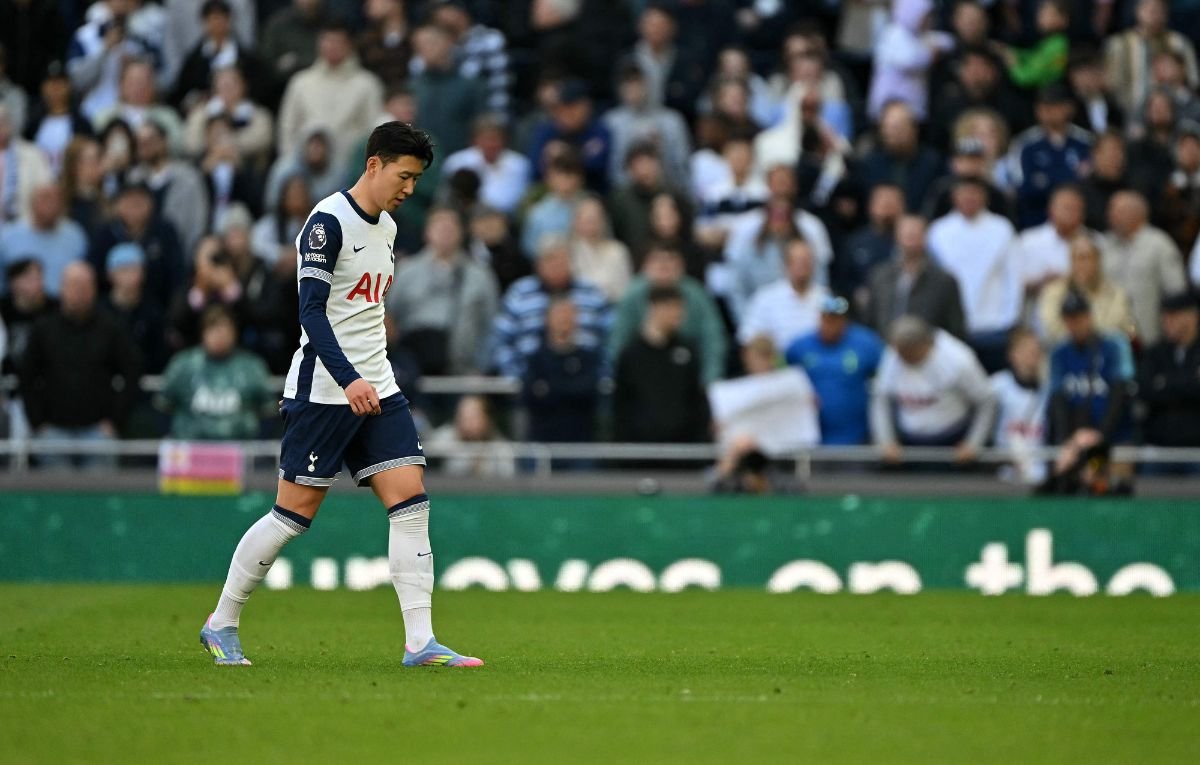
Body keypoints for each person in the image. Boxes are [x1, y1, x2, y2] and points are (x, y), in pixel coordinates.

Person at [198, 121, 483, 668]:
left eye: (418, 179)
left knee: (411, 502)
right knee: (291, 516)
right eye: (404, 175)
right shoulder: (327, 222)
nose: (410, 189)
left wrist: (371, 376)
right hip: (325, 391)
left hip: (378, 387)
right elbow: (310, 313)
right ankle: (221, 621)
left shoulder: (390, 229)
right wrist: (349, 377)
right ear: (373, 164)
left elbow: (366, 313)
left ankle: (420, 642)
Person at [17, 261, 140, 469]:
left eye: (84, 286)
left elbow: (132, 370)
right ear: (62, 288)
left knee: (99, 498)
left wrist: (116, 420)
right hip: (53, 431)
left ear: (93, 290)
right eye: (73, 286)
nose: (79, 292)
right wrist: (37, 421)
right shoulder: (44, 329)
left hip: (98, 432)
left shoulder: (110, 329)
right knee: (55, 499)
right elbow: (26, 375)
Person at [1041, 291, 1135, 495]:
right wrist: (1067, 442)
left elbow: (1120, 395)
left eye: (1080, 317)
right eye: (1070, 319)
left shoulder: (1113, 346)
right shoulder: (1060, 353)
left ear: (1089, 316)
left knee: (1096, 479)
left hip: (1110, 438)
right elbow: (1058, 399)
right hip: (1075, 440)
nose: (1075, 324)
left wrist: (1099, 435)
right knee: (1062, 476)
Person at [386, 207, 499, 375]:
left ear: (462, 232)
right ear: (427, 232)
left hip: (465, 370)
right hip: (412, 370)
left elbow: (492, 323)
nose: (445, 233)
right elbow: (389, 318)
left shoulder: (480, 276)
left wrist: (482, 369)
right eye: (439, 227)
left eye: (451, 227)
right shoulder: (405, 272)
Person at [870, 315, 996, 465]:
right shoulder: (894, 354)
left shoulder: (958, 359)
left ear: (924, 345)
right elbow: (881, 398)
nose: (901, 358)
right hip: (906, 446)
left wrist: (974, 443)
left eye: (907, 353)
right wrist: (886, 440)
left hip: (952, 444)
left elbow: (987, 400)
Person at [926, 176, 1020, 372]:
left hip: (995, 326)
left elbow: (1014, 277)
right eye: (964, 193)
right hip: (952, 329)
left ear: (985, 197)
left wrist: (1010, 319)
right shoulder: (938, 231)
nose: (969, 198)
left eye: (975, 193)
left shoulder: (1002, 228)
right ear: (954, 196)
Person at [490, 234, 609, 379]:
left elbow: (610, 340)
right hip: (529, 384)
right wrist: (516, 379)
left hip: (587, 384)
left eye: (562, 259)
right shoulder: (520, 294)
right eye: (550, 259)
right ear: (538, 264)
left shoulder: (591, 294)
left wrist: (602, 377)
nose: (556, 265)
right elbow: (501, 341)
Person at [609, 243, 727, 386]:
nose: (664, 266)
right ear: (645, 265)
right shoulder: (632, 295)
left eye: (671, 260)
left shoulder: (696, 293)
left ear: (681, 265)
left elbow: (713, 339)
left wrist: (710, 379)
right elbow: (619, 341)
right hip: (645, 371)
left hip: (689, 370)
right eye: (657, 260)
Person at [158, 304, 273, 440]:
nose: (219, 336)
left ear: (234, 333)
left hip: (241, 450)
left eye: (225, 330)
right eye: (213, 329)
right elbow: (163, 408)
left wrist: (257, 449)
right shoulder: (182, 364)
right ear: (203, 333)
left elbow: (269, 413)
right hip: (190, 450)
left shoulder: (253, 367)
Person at [276, 22, 384, 165]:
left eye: (338, 41)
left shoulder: (368, 84)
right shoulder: (300, 82)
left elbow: (374, 129)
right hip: (304, 168)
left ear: (350, 45)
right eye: (327, 40)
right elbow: (287, 129)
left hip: (349, 169)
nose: (332, 46)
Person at [613, 284, 710, 444]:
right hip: (641, 451)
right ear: (654, 308)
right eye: (671, 307)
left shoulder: (687, 350)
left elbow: (696, 399)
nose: (678, 314)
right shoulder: (631, 354)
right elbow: (622, 405)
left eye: (680, 308)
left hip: (682, 450)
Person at [785, 295, 884, 446]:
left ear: (845, 320)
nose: (830, 324)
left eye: (836, 319)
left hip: (856, 436)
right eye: (826, 319)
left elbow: (884, 376)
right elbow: (781, 377)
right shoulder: (800, 347)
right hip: (812, 436)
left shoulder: (866, 343)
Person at [1099, 191, 1186, 345]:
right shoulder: (1104, 245)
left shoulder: (1159, 244)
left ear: (1138, 213)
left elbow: (1176, 291)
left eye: (1118, 210)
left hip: (1149, 338)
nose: (1111, 215)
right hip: (1110, 338)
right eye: (1110, 210)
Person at [864, 214, 966, 340]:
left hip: (927, 352)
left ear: (926, 236)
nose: (911, 236)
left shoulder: (944, 280)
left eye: (915, 232)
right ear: (896, 235)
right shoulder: (879, 275)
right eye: (906, 232)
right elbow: (870, 320)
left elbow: (955, 327)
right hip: (886, 349)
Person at [521, 296, 604, 447]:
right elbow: (529, 398)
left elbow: (590, 393)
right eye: (559, 316)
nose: (564, 321)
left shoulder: (588, 358)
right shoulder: (536, 359)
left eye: (568, 315)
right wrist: (571, 387)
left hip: (581, 442)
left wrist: (550, 388)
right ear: (548, 320)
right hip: (543, 441)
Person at [1008, 83, 1093, 229]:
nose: (1048, 111)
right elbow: (1023, 188)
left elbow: (1091, 187)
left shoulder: (1085, 142)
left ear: (1069, 108)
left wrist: (1046, 180)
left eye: (1054, 105)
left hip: (1081, 223)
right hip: (1035, 222)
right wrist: (1071, 177)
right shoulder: (1025, 144)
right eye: (1043, 106)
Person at [1137, 290, 1200, 470]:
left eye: (1173, 316)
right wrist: (1191, 381)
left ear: (1192, 317)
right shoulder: (1155, 353)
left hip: (1197, 451)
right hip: (1159, 449)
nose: (1167, 322)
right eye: (1164, 316)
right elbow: (1145, 390)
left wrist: (1165, 383)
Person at [1104, 0, 1198, 115]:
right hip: (1129, 115)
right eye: (1149, 8)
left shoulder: (1180, 43)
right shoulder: (1119, 44)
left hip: (1178, 116)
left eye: (1159, 9)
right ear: (1137, 11)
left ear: (1166, 14)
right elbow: (1111, 84)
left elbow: (1193, 80)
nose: (1154, 13)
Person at [737, 237, 829, 354]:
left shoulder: (825, 297)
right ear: (785, 265)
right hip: (778, 365)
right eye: (797, 261)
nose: (802, 267)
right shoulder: (765, 298)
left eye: (806, 261)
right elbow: (748, 339)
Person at [1037, 234, 1134, 345]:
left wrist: (1080, 329)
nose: (1083, 264)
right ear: (1070, 261)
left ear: (1098, 261)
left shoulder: (1116, 294)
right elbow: (1053, 331)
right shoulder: (1053, 293)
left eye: (1088, 258)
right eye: (1078, 258)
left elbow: (1122, 329)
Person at [0, 184, 88, 298]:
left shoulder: (76, 235)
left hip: (63, 308)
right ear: (31, 203)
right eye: (45, 198)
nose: (51, 205)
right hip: (19, 308)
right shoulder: (8, 236)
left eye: (56, 199)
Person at [990, 327, 1049, 485]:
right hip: (1003, 472)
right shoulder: (997, 386)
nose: (1032, 356)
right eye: (1026, 351)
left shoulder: (1049, 389)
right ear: (1012, 355)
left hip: (1040, 473)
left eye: (1036, 351)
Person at [439, 114, 530, 216]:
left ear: (504, 140)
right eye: (486, 139)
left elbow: (516, 202)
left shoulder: (519, 165)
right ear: (474, 140)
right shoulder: (457, 163)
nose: (491, 144)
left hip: (506, 220)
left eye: (495, 139)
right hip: (463, 217)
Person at [424, 394, 516, 478]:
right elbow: (426, 452)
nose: (466, 423)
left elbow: (508, 479)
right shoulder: (447, 436)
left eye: (473, 417)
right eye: (462, 417)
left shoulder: (501, 449)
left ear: (486, 419)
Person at [992, 0, 1070, 90]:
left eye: (1048, 13)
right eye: (1041, 11)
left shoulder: (1058, 46)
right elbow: (1033, 57)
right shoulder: (1050, 42)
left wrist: (1012, 64)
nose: (1041, 16)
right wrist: (1008, 51)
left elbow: (1028, 77)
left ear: (1064, 19)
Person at [568, 196, 632, 303]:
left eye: (594, 220)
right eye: (586, 220)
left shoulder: (618, 251)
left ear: (603, 221)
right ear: (576, 223)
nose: (591, 225)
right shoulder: (569, 252)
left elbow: (624, 291)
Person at [0, 103, 53, 225]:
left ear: (11, 124)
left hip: (24, 227)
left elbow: (45, 190)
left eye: (3, 121)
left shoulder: (33, 154)